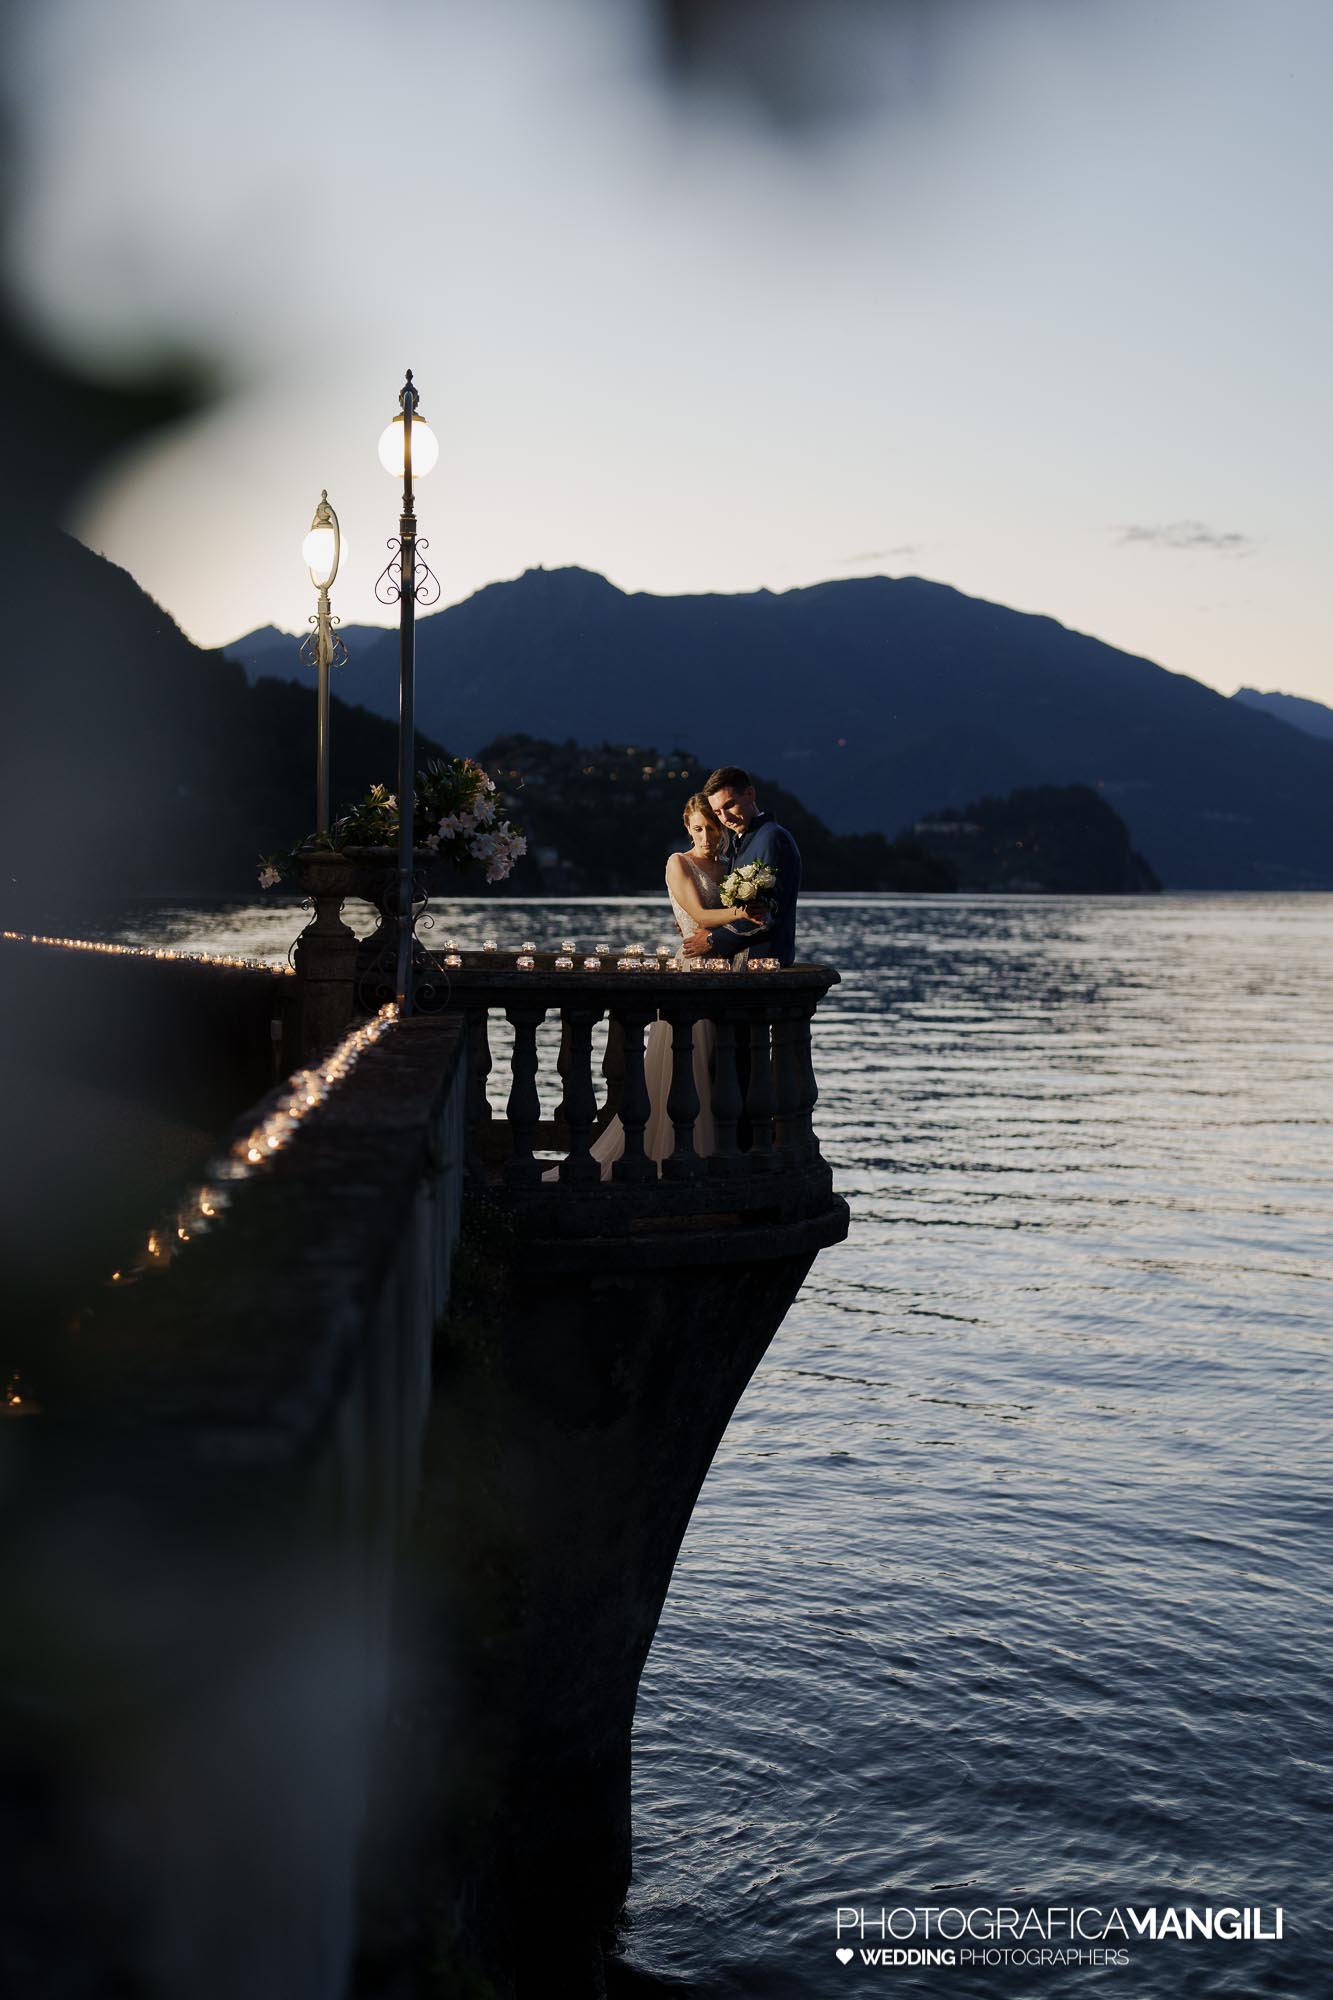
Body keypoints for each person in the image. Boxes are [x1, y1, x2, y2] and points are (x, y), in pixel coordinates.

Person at [545, 794, 752, 1181]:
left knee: (718, 1068)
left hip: (727, 971)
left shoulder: (731, 866)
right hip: (692, 971)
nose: (707, 835)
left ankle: (714, 1155)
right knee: (686, 1065)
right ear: (687, 829)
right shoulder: (679, 863)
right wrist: (745, 910)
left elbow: (727, 928)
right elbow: (701, 915)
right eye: (698, 828)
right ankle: (679, 1155)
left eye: (712, 827)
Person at [680, 765, 802, 966]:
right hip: (744, 963)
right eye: (718, 812)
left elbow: (766, 915)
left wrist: (712, 940)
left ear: (750, 794)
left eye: (729, 805)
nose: (725, 818)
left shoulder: (773, 838)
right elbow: (737, 908)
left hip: (764, 964)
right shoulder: (743, 841)